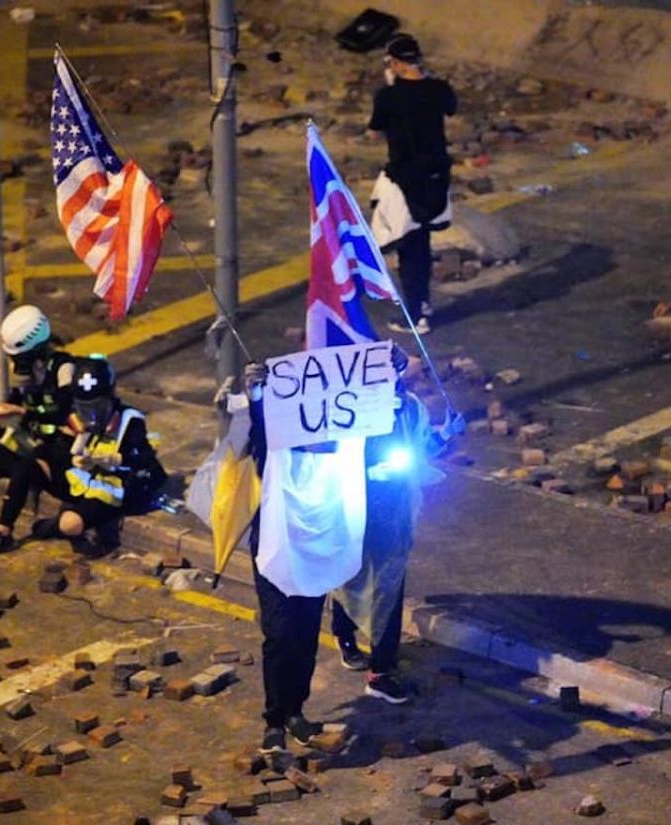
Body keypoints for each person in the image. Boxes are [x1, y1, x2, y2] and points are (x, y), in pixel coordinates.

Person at [241, 362, 361, 755]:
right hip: (276, 550)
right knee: (279, 634)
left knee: (306, 634)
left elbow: (372, 416)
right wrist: (257, 395)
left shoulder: (340, 451)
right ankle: (274, 719)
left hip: (315, 551)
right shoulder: (277, 447)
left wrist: (388, 375)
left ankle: (295, 711)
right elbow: (259, 429)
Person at [331, 347, 450, 704]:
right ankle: (345, 635)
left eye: (398, 373)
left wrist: (445, 434)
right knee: (347, 573)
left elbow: (423, 444)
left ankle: (380, 670)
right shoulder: (349, 408)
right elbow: (327, 456)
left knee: (389, 585)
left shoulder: (411, 406)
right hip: (353, 504)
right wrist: (365, 473)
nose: (396, 382)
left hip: (394, 507)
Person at [0, 304, 76, 558]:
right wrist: (8, 406)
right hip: (36, 444)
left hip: (63, 458)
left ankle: (2, 533)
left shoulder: (64, 369)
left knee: (26, 465)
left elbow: (62, 413)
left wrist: (21, 413)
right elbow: (20, 403)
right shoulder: (30, 376)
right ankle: (19, 472)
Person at [31, 355, 167, 554]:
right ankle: (66, 524)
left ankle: (59, 527)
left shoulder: (130, 420)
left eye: (97, 406)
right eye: (84, 407)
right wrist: (77, 457)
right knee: (36, 461)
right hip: (88, 483)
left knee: (70, 523)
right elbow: (73, 448)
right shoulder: (83, 419)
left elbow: (145, 459)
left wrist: (117, 460)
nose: (91, 413)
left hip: (114, 490)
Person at [368, 33, 457, 336]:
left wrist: (394, 87)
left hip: (404, 178)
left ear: (393, 63)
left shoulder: (388, 97)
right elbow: (451, 106)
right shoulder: (439, 89)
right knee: (423, 241)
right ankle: (423, 302)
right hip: (435, 177)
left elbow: (376, 127)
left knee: (408, 247)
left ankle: (416, 315)